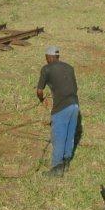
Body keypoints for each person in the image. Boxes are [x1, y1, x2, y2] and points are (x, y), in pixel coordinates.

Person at [36, 46, 80, 177]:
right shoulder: (69, 67)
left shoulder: (46, 69)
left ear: (49, 57)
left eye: (46, 58)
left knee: (59, 137)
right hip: (75, 105)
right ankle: (66, 163)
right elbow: (75, 87)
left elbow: (39, 91)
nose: (46, 60)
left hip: (61, 108)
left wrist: (41, 99)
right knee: (69, 135)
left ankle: (56, 168)